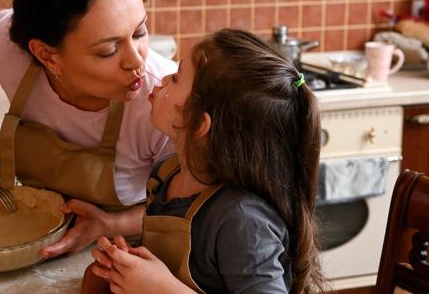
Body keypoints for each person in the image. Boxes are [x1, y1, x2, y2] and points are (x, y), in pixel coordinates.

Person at [0, 0, 177, 257]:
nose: (136, 62)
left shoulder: (163, 102)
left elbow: (190, 206)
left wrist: (109, 224)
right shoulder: (15, 58)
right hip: (31, 232)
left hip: (122, 250)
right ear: (47, 56)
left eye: (140, 32)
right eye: (108, 51)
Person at [83, 28, 325, 293]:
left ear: (198, 122)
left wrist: (161, 288)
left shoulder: (243, 221)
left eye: (176, 77)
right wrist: (125, 267)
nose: (162, 79)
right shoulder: (165, 174)